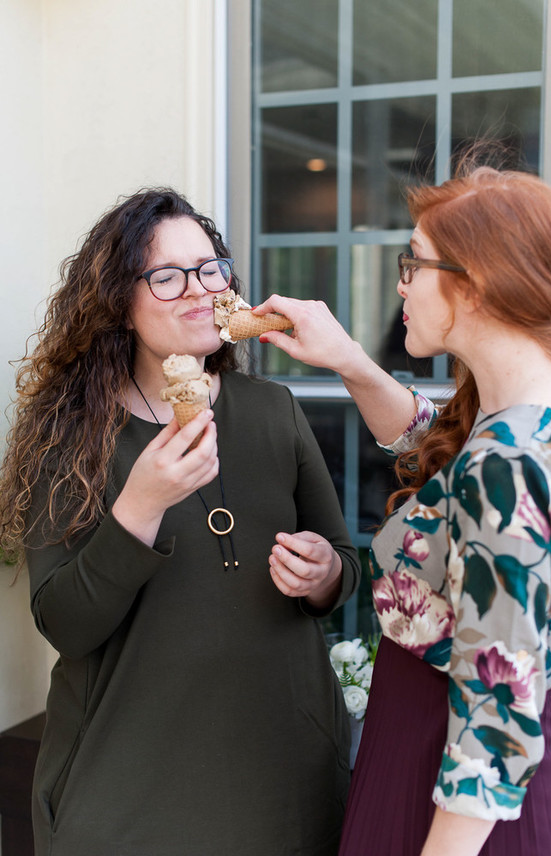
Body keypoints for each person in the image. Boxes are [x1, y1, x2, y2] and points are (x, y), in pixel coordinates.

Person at [0, 188, 361, 856]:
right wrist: (139, 506)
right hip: (132, 793)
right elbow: (66, 625)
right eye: (166, 276)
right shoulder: (68, 437)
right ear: (118, 302)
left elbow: (342, 564)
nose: (199, 290)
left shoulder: (272, 409)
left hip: (286, 776)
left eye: (209, 267)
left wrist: (325, 571)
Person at [255, 163, 551, 855]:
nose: (400, 282)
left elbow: (495, 724)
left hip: (451, 788)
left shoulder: (506, 466)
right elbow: (441, 450)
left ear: (475, 283)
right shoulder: (536, 412)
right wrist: (349, 362)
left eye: (414, 262)